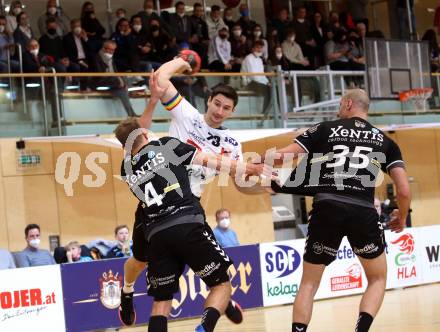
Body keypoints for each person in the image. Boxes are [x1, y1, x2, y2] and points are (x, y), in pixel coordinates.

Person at [117, 58, 267, 327]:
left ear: (232, 112)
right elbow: (161, 79)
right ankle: (127, 291)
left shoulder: (232, 143)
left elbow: (240, 181)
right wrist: (182, 61)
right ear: (208, 100)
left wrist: (267, 187)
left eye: (227, 108)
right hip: (154, 205)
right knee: (139, 261)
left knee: (189, 257)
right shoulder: (187, 114)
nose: (220, 111)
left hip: (187, 204)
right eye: (217, 104)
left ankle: (224, 299)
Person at [268, 89, 411, 332]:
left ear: (347, 104)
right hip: (363, 210)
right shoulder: (386, 142)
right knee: (377, 279)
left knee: (309, 283)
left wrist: (251, 164)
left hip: (327, 207)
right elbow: (404, 190)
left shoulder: (324, 128)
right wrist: (402, 216)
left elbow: (282, 156)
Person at [90, 40, 136, 116]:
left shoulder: (111, 59)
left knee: (122, 89)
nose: (112, 52)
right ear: (104, 49)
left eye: (113, 50)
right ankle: (132, 113)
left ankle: (131, 114)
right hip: (100, 82)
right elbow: (100, 74)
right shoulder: (96, 58)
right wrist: (118, 79)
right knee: (117, 81)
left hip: (112, 83)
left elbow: (115, 72)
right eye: (110, 50)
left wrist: (120, 79)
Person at [241, 40, 271, 115]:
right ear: (252, 49)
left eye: (261, 48)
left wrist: (267, 82)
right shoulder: (248, 58)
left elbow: (262, 75)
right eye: (257, 47)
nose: (259, 49)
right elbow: (253, 76)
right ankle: (264, 112)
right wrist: (266, 84)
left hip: (259, 83)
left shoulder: (260, 60)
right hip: (250, 83)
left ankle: (270, 111)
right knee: (268, 89)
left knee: (273, 88)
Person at [189, 3, 209, 68]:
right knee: (201, 48)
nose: (199, 12)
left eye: (200, 11)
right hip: (192, 42)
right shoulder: (189, 20)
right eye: (197, 10)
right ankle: (198, 67)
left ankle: (204, 66)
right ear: (194, 11)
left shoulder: (203, 22)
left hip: (201, 41)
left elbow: (206, 35)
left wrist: (206, 40)